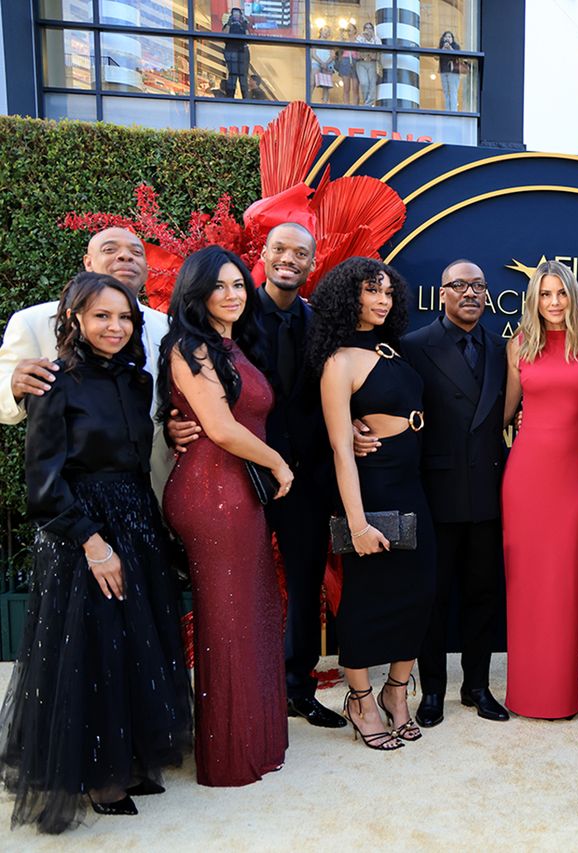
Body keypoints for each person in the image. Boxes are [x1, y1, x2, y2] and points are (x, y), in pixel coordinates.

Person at [0, 273, 191, 832]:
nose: (115, 327)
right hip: (80, 531)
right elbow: (43, 483)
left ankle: (127, 757)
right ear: (75, 319)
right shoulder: (52, 381)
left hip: (135, 520)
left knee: (133, 644)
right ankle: (95, 773)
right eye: (102, 316)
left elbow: (140, 457)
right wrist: (92, 542)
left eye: (125, 317)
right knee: (91, 650)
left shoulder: (137, 382)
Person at [160, 246, 292, 786]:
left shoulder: (230, 347)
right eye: (220, 286)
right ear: (196, 292)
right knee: (229, 623)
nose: (233, 294)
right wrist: (280, 463)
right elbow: (218, 426)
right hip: (213, 495)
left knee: (248, 614)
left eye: (239, 284)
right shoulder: (190, 347)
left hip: (238, 493)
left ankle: (254, 741)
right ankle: (229, 758)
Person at [310, 258, 434, 751]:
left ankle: (396, 693)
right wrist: (357, 525)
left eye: (387, 292)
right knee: (362, 599)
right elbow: (342, 449)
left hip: (412, 486)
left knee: (419, 591)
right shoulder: (337, 362)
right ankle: (360, 698)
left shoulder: (394, 349)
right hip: (370, 490)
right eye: (371, 291)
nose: (382, 300)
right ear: (349, 297)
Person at [400, 259, 509, 728]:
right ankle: (433, 692)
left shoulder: (503, 348)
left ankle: (477, 687)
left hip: (488, 489)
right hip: (436, 492)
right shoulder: (413, 347)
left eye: (479, 286)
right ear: (441, 292)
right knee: (433, 598)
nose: (470, 293)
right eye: (460, 285)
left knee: (483, 596)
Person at [502, 260, 578, 719]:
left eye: (560, 293)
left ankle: (561, 695)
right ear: (533, 299)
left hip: (573, 480)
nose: (553, 303)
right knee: (524, 585)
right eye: (544, 295)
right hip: (525, 477)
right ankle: (525, 692)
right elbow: (505, 412)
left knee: (565, 585)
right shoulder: (520, 345)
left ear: (573, 295)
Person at [256, 223, 349, 729]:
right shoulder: (235, 315)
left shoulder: (320, 324)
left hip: (309, 480)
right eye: (281, 249)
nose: (289, 259)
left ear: (312, 263)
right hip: (243, 473)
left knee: (306, 580)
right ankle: (248, 690)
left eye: (301, 253)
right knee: (243, 585)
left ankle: (297, 686)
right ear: (265, 255)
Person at [0, 227, 172, 497]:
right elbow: (4, 405)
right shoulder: (32, 322)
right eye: (110, 249)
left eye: (136, 252)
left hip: (159, 484)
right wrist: (13, 385)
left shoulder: (167, 326)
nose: (126, 257)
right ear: (87, 263)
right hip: (77, 496)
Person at [221, 8, 251, 99]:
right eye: (234, 15)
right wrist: (229, 23)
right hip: (232, 51)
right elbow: (224, 35)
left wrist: (245, 25)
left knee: (243, 76)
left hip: (242, 51)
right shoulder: (228, 25)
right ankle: (231, 97)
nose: (236, 16)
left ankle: (245, 98)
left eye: (238, 15)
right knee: (233, 75)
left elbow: (248, 38)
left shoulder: (243, 25)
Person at [355, 22, 380, 106]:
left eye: (370, 28)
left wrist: (372, 37)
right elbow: (356, 48)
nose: (368, 30)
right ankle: (366, 102)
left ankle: (368, 104)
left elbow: (379, 49)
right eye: (366, 28)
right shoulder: (360, 38)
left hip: (372, 63)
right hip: (361, 63)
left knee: (372, 84)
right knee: (364, 83)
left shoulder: (376, 39)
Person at [438, 31, 463, 111]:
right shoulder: (441, 47)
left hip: (453, 72)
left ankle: (454, 111)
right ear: (443, 38)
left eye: (449, 37)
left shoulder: (456, 46)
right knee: (446, 92)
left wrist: (449, 48)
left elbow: (457, 56)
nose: (447, 38)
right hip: (443, 72)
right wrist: (442, 49)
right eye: (446, 37)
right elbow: (435, 57)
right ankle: (448, 110)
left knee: (453, 92)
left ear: (452, 39)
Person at [337, 26, 359, 105]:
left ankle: (355, 106)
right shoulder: (344, 40)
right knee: (346, 88)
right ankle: (346, 105)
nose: (348, 29)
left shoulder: (358, 40)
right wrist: (341, 33)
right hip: (345, 61)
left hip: (355, 61)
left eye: (350, 28)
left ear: (355, 30)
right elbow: (338, 44)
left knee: (355, 88)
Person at [313, 31, 335, 104]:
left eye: (328, 30)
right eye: (325, 30)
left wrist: (326, 63)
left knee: (326, 84)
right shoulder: (316, 41)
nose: (326, 32)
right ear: (321, 31)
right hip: (317, 62)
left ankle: (325, 102)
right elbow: (313, 54)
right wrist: (321, 62)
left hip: (327, 64)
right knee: (312, 81)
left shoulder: (330, 43)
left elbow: (333, 55)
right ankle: (308, 100)